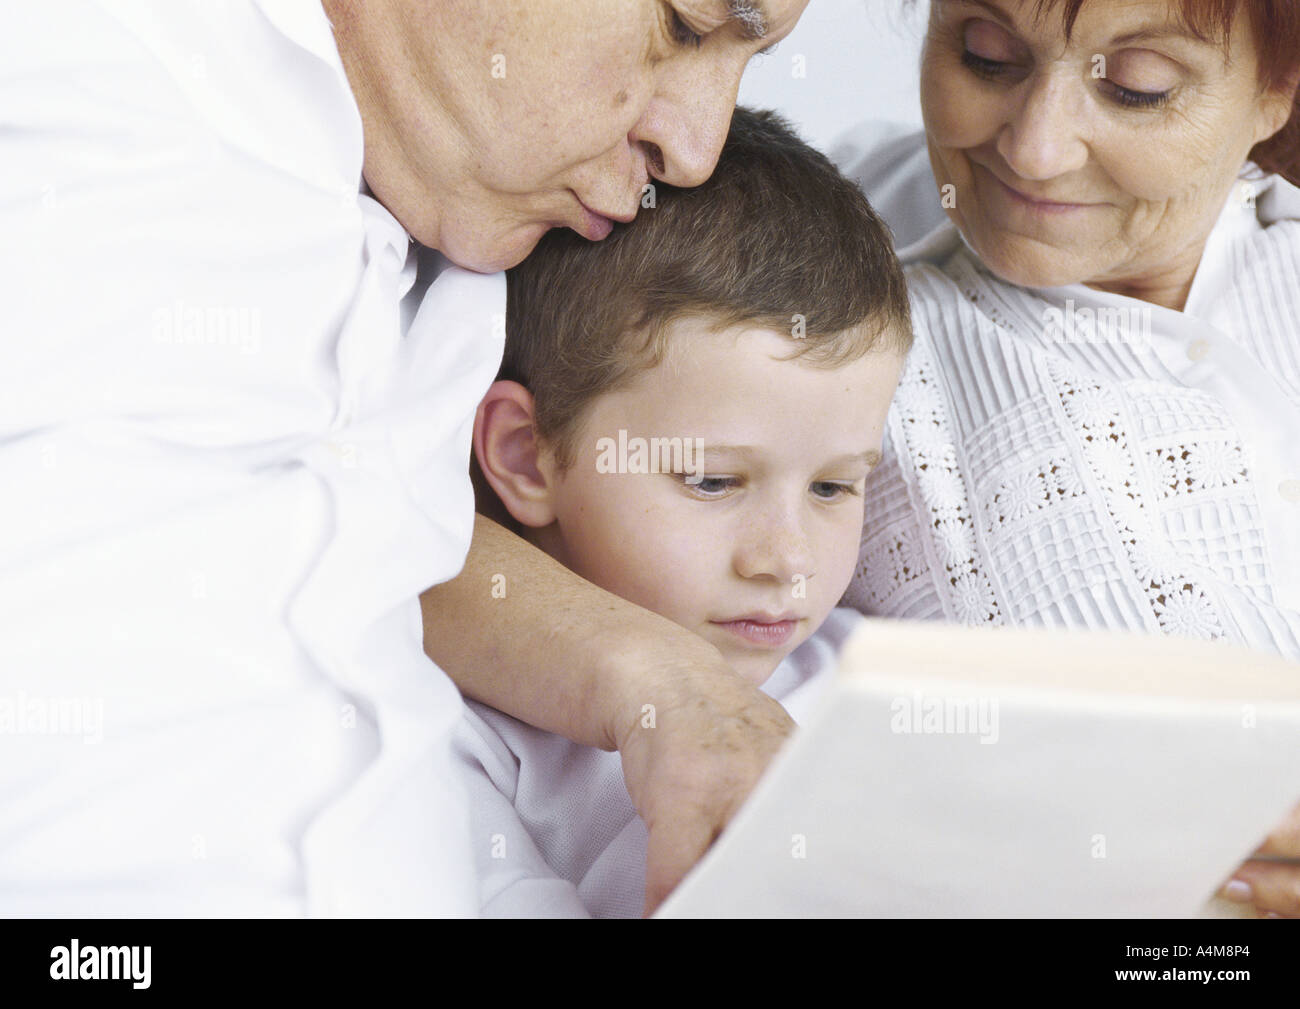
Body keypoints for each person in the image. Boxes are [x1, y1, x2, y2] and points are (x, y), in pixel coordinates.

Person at [426, 0, 1300, 918]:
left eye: (1138, 90)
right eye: (987, 56)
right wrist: (646, 679)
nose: (1037, 151)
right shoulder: (839, 331)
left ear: (1276, 92)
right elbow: (388, 525)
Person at [0, 0, 810, 915]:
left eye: (756, 58)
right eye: (687, 25)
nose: (696, 150)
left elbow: (401, 537)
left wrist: (652, 672)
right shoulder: (64, 80)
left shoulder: (491, 244)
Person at [453, 107, 912, 916]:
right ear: (528, 455)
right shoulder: (474, 743)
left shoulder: (878, 684)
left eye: (833, 487)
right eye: (711, 482)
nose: (786, 559)